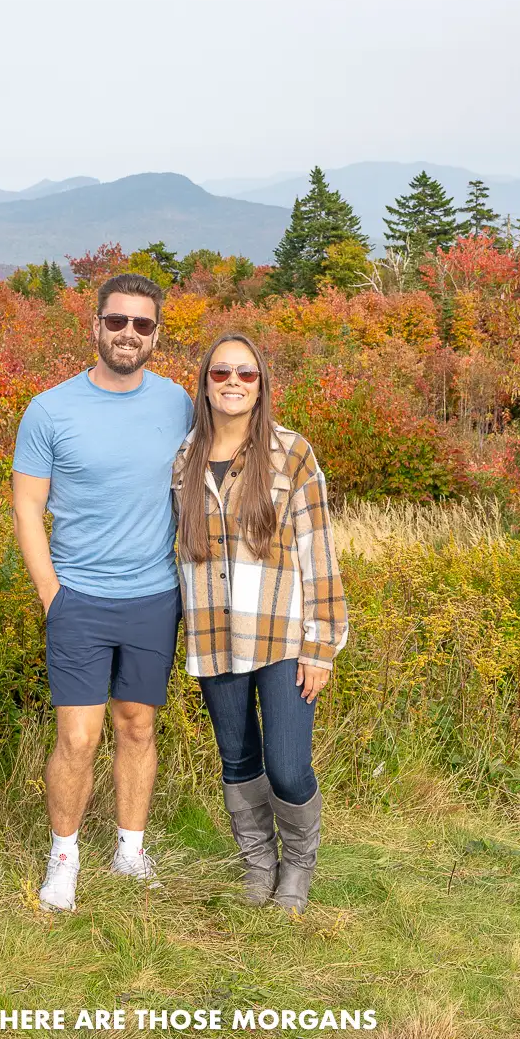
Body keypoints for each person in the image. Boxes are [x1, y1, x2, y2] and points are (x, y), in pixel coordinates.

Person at [11, 273, 193, 913]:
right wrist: (52, 596)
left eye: (142, 325)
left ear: (156, 335)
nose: (128, 335)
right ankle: (64, 862)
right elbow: (27, 507)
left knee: (137, 725)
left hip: (153, 596)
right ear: (95, 326)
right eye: (117, 322)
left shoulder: (179, 404)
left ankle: (130, 849)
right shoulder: (50, 409)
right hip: (79, 600)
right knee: (79, 738)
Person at [172, 332, 347, 913]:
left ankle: (297, 866)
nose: (233, 384)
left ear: (261, 384)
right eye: (221, 373)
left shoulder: (291, 454)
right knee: (238, 759)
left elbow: (318, 551)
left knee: (288, 767)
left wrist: (320, 646)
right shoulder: (184, 459)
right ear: (204, 382)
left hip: (280, 636)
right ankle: (257, 862)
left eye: (246, 375)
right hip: (213, 634)